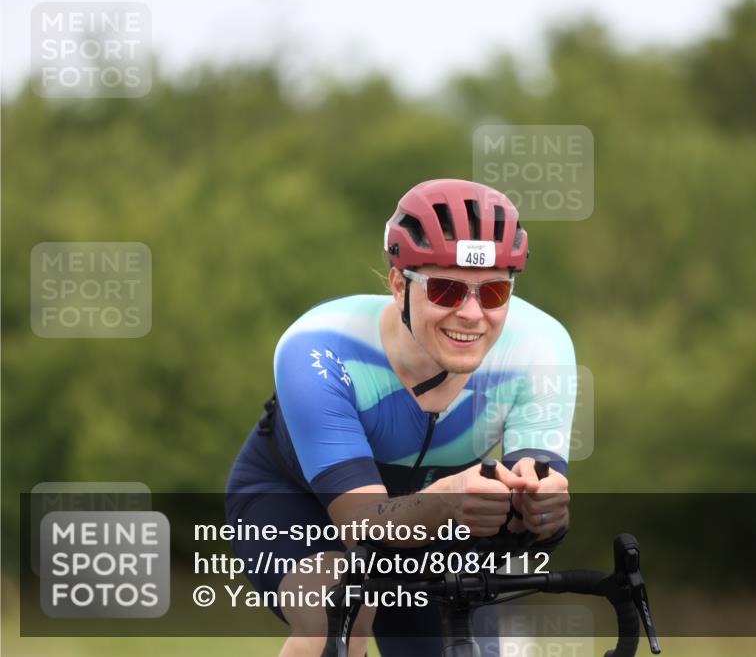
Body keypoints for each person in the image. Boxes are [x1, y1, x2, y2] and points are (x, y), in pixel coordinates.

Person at [225, 179, 575, 657]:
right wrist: (446, 501)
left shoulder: (539, 347)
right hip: (301, 503)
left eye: (493, 292)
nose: (472, 314)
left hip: (439, 515)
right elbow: (362, 524)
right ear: (398, 284)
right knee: (336, 616)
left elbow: (533, 496)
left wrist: (542, 509)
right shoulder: (319, 347)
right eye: (447, 290)